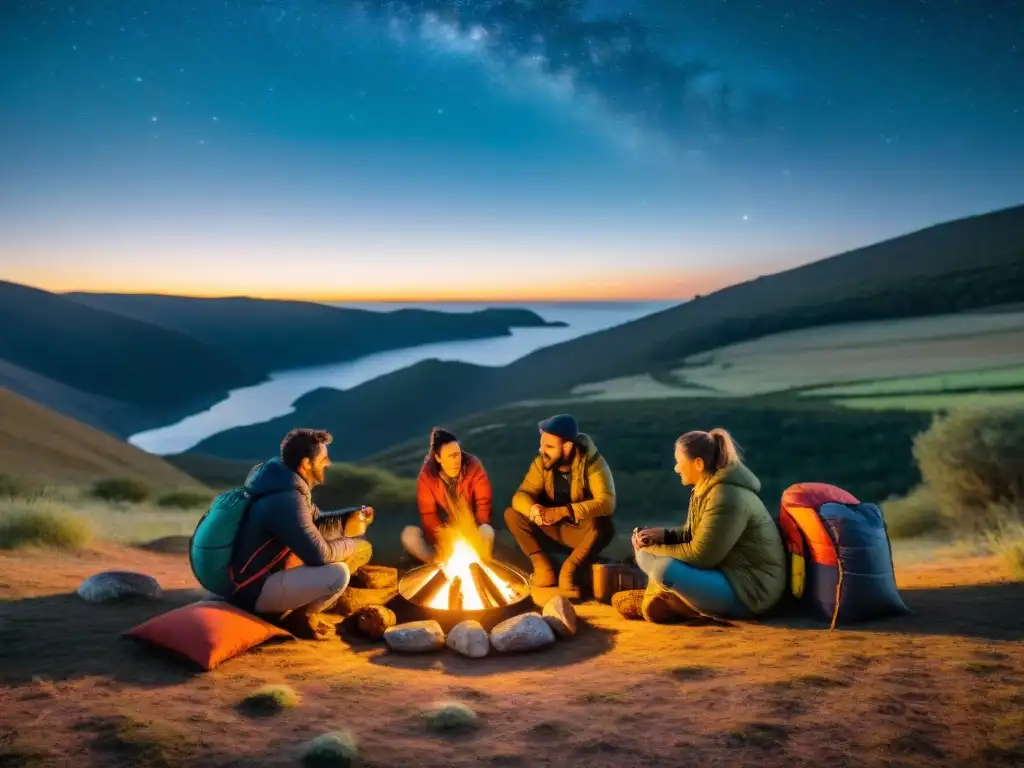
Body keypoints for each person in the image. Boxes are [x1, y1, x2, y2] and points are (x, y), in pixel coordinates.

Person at [614, 428, 786, 623]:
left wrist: (651, 549)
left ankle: (681, 605)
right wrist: (662, 536)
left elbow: (701, 556)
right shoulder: (706, 488)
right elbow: (692, 534)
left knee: (662, 568)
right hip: (727, 574)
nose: (676, 468)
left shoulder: (726, 496)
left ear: (698, 463)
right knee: (650, 559)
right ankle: (672, 601)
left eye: (679, 461)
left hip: (751, 591)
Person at [228, 428, 375, 639]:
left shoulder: (285, 487)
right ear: (306, 463)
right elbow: (319, 555)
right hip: (253, 589)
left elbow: (315, 522)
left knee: (347, 547)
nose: (328, 463)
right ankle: (298, 618)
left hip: (253, 581)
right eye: (323, 459)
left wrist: (350, 517)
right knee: (338, 574)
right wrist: (352, 545)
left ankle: (289, 612)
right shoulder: (287, 499)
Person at [504, 414, 615, 599]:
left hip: (580, 532)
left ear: (567, 447)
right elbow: (521, 495)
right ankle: (543, 568)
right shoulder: (542, 463)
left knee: (601, 523)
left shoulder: (592, 463)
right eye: (542, 445)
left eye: (549, 446)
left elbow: (606, 502)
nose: (542, 450)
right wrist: (533, 510)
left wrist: (564, 511)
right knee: (512, 515)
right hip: (550, 527)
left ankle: (569, 570)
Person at [401, 427, 495, 564]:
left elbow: (483, 503)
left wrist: (477, 528)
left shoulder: (473, 466)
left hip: (472, 530)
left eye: (458, 454)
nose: (456, 461)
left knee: (487, 531)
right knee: (409, 535)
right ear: (438, 458)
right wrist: (444, 537)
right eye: (451, 456)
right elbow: (429, 515)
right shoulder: (427, 477)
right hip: (444, 537)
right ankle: (437, 565)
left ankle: (481, 564)